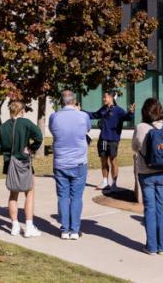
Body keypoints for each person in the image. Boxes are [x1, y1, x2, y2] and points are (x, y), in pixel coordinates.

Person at [131, 97, 163, 255]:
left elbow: (134, 147)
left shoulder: (140, 127)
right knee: (161, 209)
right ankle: (162, 246)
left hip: (146, 172)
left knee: (149, 209)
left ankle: (151, 246)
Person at [0, 101, 43, 238]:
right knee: (30, 192)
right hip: (23, 161)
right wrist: (31, 148)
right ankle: (29, 226)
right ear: (22, 111)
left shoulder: (3, 126)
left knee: (13, 193)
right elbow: (39, 137)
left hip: (9, 163)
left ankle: (14, 226)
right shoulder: (26, 123)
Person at [49, 90, 91, 240]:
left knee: (63, 196)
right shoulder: (83, 116)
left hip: (60, 162)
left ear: (61, 101)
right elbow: (87, 129)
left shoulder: (54, 117)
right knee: (76, 197)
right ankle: (74, 229)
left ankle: (65, 229)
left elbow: (53, 131)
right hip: (79, 161)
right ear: (74, 102)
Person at [85, 90, 135, 191]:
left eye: (105, 97)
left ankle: (114, 184)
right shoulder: (103, 109)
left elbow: (128, 118)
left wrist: (131, 112)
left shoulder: (119, 110)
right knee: (103, 160)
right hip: (103, 139)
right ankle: (104, 182)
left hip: (113, 139)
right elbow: (93, 115)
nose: (103, 99)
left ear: (111, 98)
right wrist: (80, 110)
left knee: (113, 161)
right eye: (103, 97)